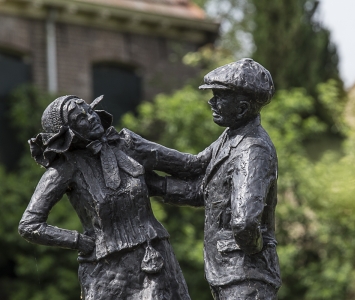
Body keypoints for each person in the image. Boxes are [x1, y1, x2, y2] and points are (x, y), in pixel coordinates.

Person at [18, 95, 190, 300]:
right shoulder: (65, 168)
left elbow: (183, 171)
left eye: (88, 110)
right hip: (107, 273)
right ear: (68, 132)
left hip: (155, 257)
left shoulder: (124, 145)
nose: (89, 117)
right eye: (79, 117)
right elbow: (29, 225)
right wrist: (80, 241)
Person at [140, 58, 282, 299]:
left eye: (219, 97)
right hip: (226, 273)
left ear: (242, 108)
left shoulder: (252, 149)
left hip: (246, 278)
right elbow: (194, 171)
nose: (211, 102)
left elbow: (245, 223)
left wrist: (254, 251)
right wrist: (140, 161)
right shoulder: (231, 137)